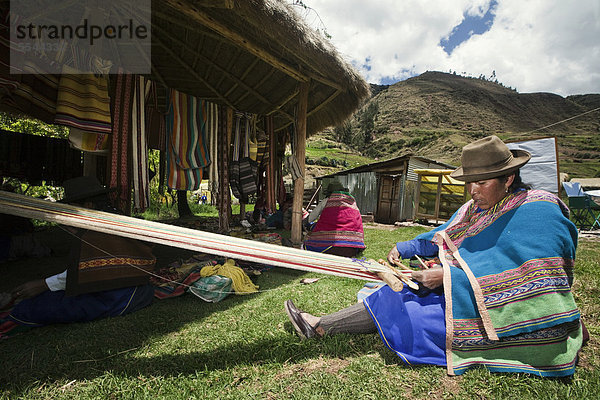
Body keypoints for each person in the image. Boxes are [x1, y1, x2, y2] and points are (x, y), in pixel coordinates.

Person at [285, 135, 584, 377]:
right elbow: (442, 234)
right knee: (400, 293)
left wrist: (447, 277)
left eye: (481, 182)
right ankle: (322, 325)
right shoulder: (474, 210)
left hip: (513, 312)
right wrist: (407, 248)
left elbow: (540, 274)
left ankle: (321, 325)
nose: (472, 191)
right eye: (469, 182)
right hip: (467, 292)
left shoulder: (538, 209)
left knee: (412, 314)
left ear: (508, 178)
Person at [0, 176, 156, 338]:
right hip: (142, 293)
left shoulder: (96, 234)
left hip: (118, 299)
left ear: (88, 205)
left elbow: (85, 274)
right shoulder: (114, 220)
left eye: (71, 207)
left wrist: (43, 284)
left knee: (35, 307)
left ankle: (16, 313)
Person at [302, 182, 366, 257]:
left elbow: (310, 218)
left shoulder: (327, 200)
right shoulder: (352, 201)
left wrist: (304, 222)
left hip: (331, 247)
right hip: (353, 247)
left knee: (313, 226)